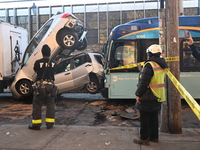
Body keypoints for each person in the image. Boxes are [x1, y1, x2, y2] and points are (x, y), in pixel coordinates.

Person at [133, 44, 167, 145]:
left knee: (144, 118)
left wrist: (138, 94)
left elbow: (144, 82)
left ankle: (144, 138)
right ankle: (154, 137)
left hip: (148, 94)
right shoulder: (162, 64)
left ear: (150, 53)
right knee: (154, 117)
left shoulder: (150, 65)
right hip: (158, 94)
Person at [28, 44, 57, 130]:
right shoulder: (54, 63)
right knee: (50, 104)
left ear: (42, 53)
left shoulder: (37, 62)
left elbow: (36, 71)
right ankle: (49, 123)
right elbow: (54, 73)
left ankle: (36, 124)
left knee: (37, 104)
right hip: (51, 86)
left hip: (40, 86)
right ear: (50, 53)